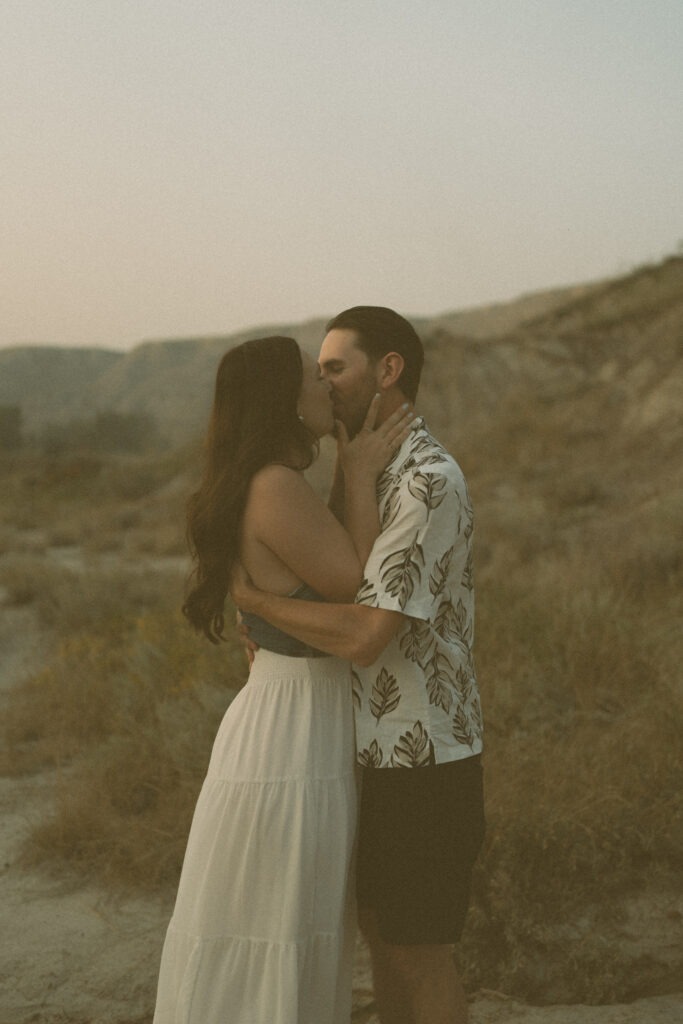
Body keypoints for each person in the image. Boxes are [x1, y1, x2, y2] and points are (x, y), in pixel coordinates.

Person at [232, 307, 485, 1024]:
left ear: (388, 369)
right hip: (361, 751)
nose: (322, 381)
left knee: (418, 952)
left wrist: (258, 605)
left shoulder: (425, 482)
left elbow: (367, 634)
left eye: (334, 367)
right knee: (381, 942)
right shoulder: (367, 473)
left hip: (423, 754)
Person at [152, 335, 415, 1024]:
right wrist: (357, 478)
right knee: (280, 922)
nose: (325, 390)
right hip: (292, 732)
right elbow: (358, 589)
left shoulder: (269, 481)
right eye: (311, 378)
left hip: (286, 713)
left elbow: (315, 566)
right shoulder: (273, 486)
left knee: (276, 918)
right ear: (280, 400)